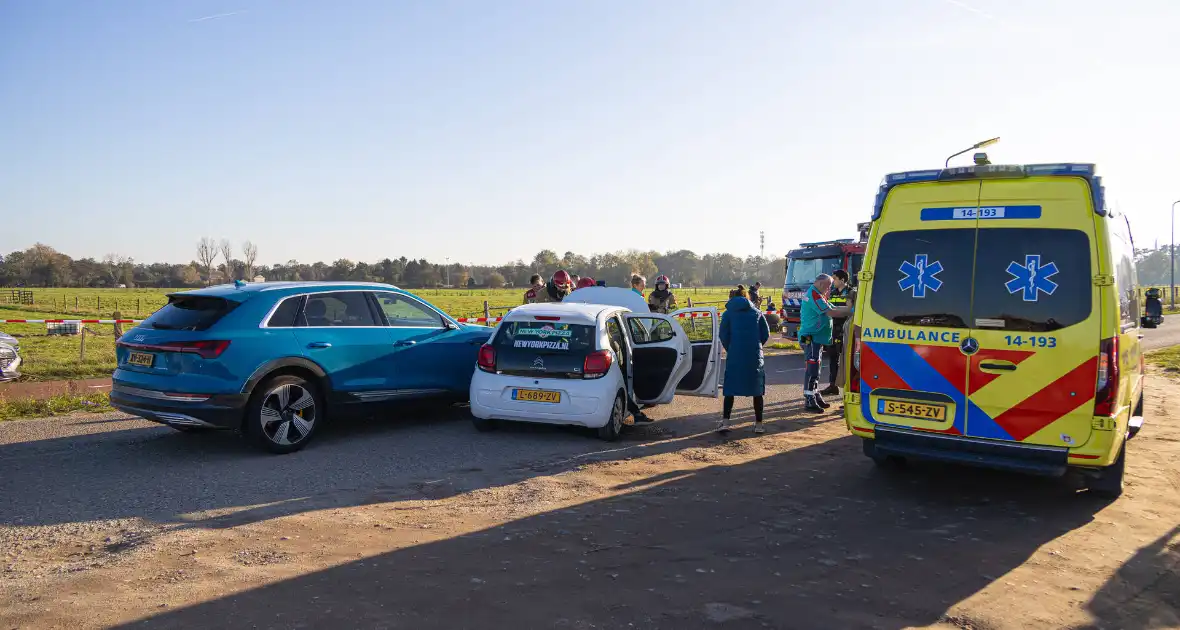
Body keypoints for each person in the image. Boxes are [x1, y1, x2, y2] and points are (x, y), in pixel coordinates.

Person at [718, 285, 772, 434]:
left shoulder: (728, 314)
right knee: (757, 389)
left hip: (735, 353)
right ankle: (759, 424)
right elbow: (765, 334)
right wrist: (756, 346)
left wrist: (731, 347)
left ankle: (725, 422)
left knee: (730, 388)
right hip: (754, 355)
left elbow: (723, 334)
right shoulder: (757, 312)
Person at [798, 274, 851, 413]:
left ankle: (814, 394)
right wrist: (852, 311)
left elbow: (833, 307)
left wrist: (849, 310)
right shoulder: (814, 295)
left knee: (816, 365)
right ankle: (809, 398)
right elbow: (830, 312)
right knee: (812, 366)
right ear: (822, 284)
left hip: (815, 336)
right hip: (810, 336)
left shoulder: (818, 295)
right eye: (828, 286)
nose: (829, 289)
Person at [820, 270, 851, 398]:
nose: (833, 281)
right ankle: (833, 386)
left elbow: (850, 310)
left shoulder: (851, 292)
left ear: (843, 279)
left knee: (847, 360)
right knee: (833, 358)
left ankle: (847, 391)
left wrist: (834, 311)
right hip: (833, 330)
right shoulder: (832, 293)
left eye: (835, 279)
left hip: (846, 329)